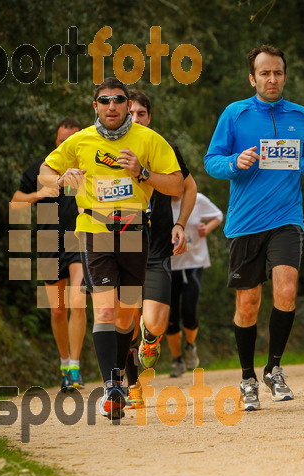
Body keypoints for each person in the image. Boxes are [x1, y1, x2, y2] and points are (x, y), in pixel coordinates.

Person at [39, 78, 183, 419]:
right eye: (105, 101)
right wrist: (61, 179)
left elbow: (176, 184)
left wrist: (143, 172)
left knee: (126, 315)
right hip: (96, 230)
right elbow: (45, 171)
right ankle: (111, 386)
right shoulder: (79, 141)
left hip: (133, 231)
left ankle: (118, 376)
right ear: (96, 107)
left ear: (125, 104)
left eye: (118, 100)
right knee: (104, 312)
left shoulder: (149, 139)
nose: (112, 106)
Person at [204, 44, 304, 411]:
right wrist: (233, 162)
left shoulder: (300, 114)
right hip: (245, 223)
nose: (271, 79)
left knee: (287, 290)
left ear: (284, 76)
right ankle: (247, 378)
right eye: (264, 73)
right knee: (248, 303)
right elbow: (211, 160)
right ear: (252, 78)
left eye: (277, 73)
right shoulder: (235, 113)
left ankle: (274, 368)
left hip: (287, 217)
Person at [123, 88, 197, 409]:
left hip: (156, 247)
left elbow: (188, 187)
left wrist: (180, 224)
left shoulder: (165, 149)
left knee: (155, 322)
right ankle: (131, 385)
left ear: (149, 118)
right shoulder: (109, 151)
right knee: (123, 319)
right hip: (123, 242)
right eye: (130, 114)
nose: (135, 118)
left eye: (141, 114)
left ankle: (150, 338)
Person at [10, 118, 86, 394]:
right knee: (56, 310)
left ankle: (76, 366)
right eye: (62, 140)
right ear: (56, 142)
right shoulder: (40, 168)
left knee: (78, 302)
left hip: (78, 238)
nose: (66, 144)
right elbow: (16, 200)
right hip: (47, 240)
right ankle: (64, 364)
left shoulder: (86, 168)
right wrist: (39, 193)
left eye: (72, 140)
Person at [167, 192, 224, 377]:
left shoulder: (196, 199)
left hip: (194, 263)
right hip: (168, 266)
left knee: (189, 311)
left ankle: (190, 346)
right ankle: (177, 361)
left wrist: (207, 228)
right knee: (171, 316)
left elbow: (218, 215)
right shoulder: (156, 201)